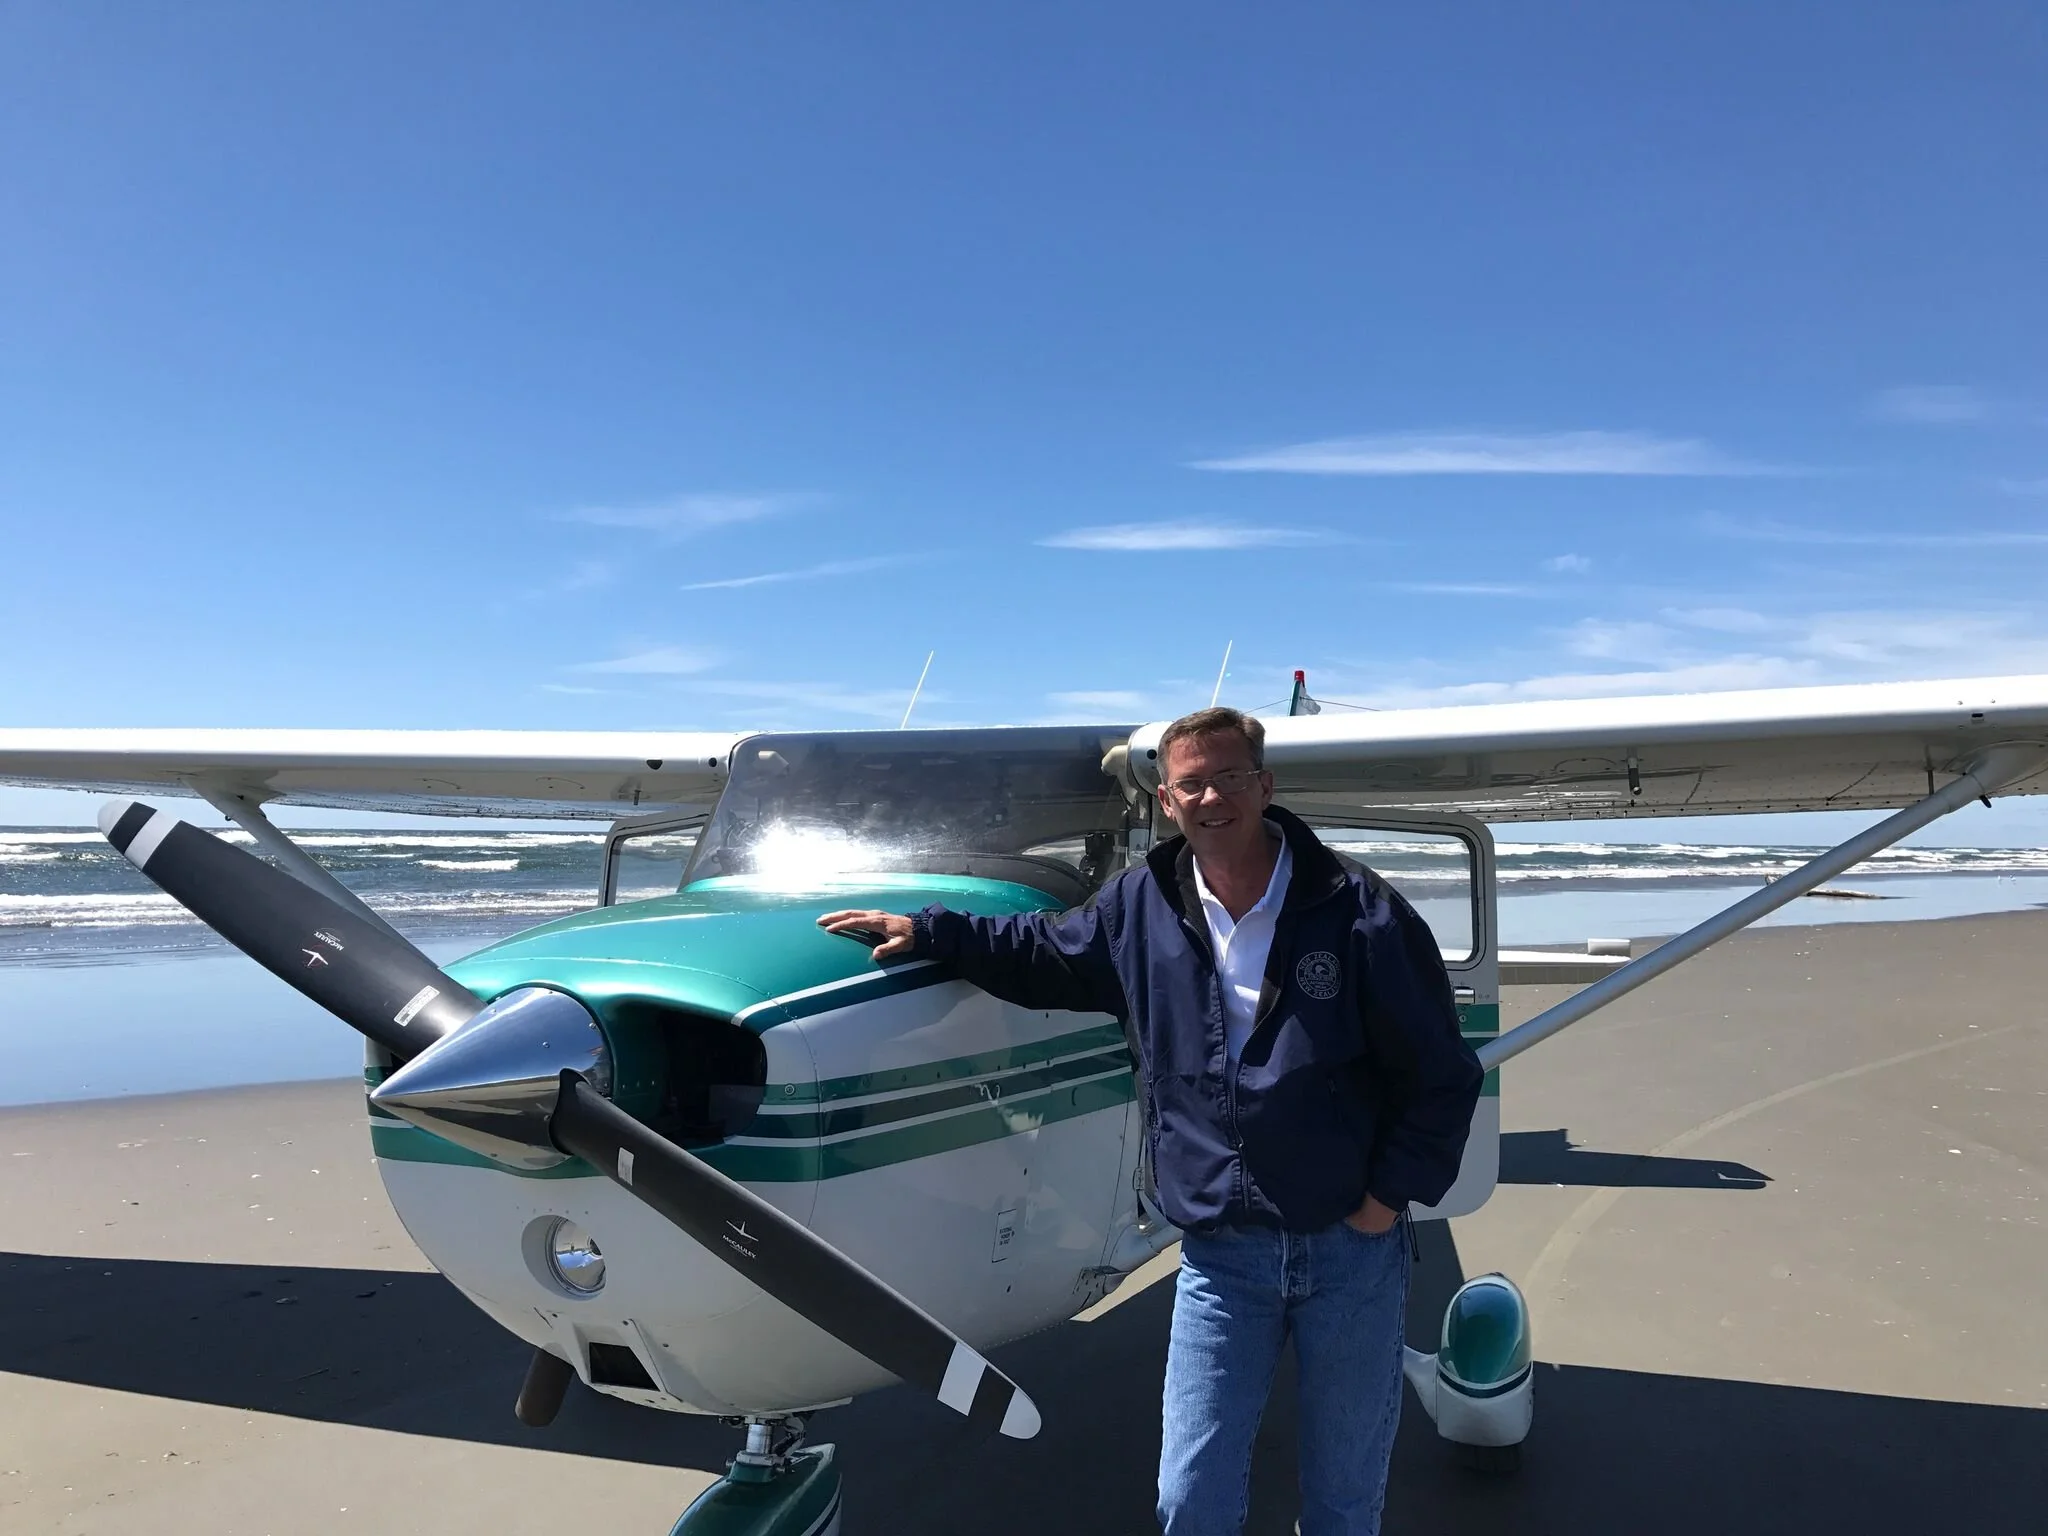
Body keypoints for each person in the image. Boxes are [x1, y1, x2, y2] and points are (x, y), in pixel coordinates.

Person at [818, 706, 1482, 1536]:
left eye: (1230, 778)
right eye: (1191, 784)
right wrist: (930, 932)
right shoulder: (1140, 903)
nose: (1212, 798)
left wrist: (1385, 1200)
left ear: (1265, 786)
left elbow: (1441, 1073)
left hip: (1350, 1248)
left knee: (1343, 1500)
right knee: (1190, 1497)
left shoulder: (1359, 908)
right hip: (1221, 1254)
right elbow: (1045, 951)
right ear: (1167, 801)